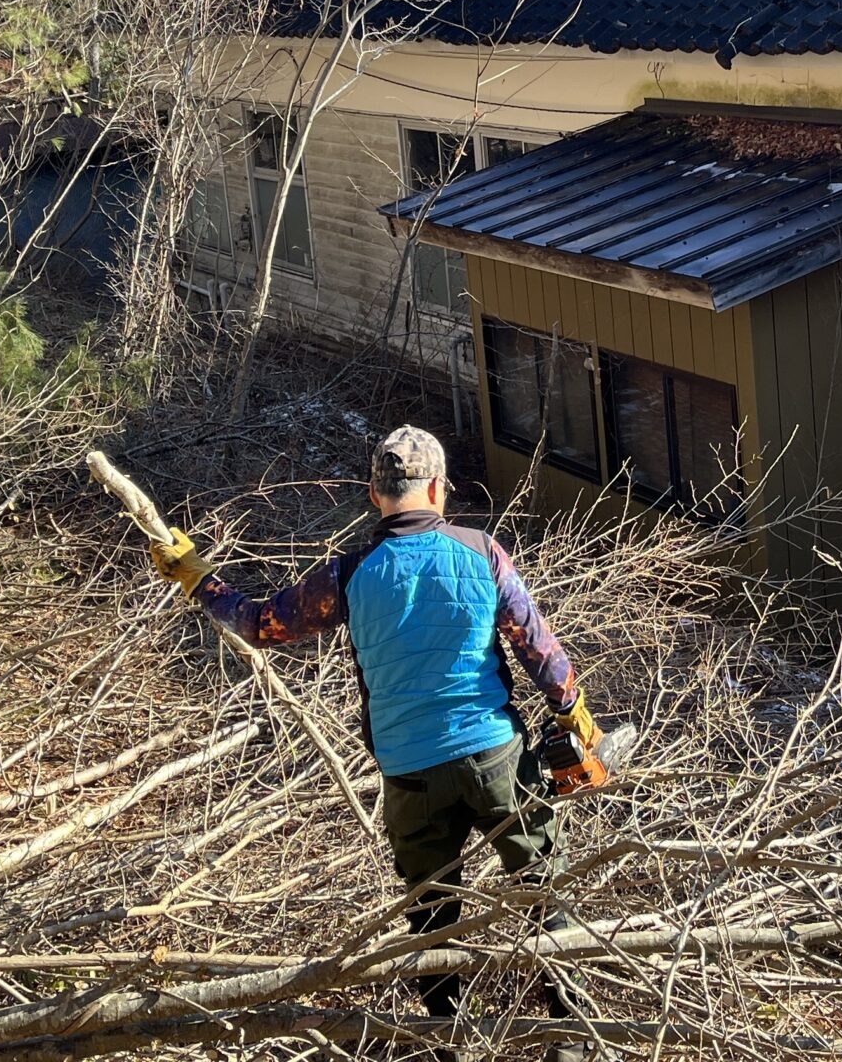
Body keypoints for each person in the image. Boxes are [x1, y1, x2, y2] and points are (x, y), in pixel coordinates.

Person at [152, 426, 598, 1058]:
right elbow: (538, 646)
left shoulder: (349, 573)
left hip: (410, 774)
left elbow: (260, 624)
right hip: (496, 756)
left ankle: (447, 1044)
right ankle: (575, 1040)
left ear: (374, 494)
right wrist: (573, 712)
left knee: (431, 918)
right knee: (542, 889)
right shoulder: (482, 552)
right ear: (438, 489)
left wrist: (199, 580)